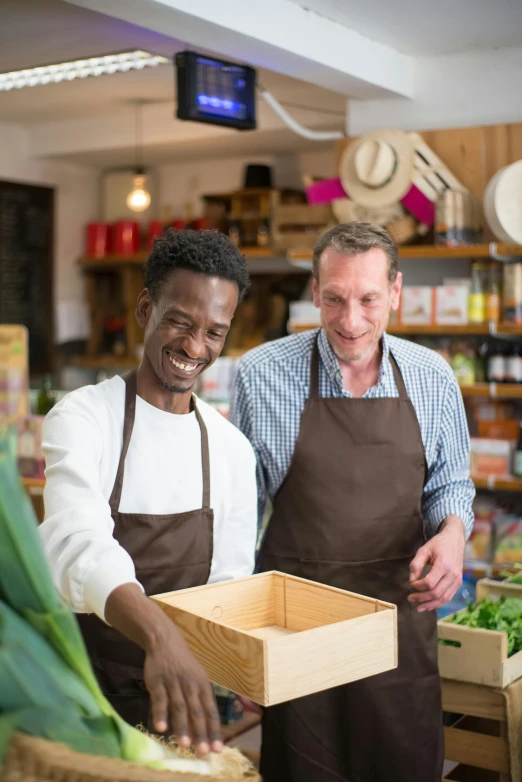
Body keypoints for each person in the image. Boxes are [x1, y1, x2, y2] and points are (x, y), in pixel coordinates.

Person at [230, 222, 475, 782]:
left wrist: (454, 534)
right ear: (314, 292)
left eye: (368, 299)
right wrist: (240, 652)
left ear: (394, 291)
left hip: (397, 632)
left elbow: (450, 485)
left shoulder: (433, 377)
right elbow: (240, 519)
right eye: (334, 299)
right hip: (296, 637)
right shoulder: (262, 375)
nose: (350, 320)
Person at [39, 229, 258, 756]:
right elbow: (77, 542)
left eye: (214, 332)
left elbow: (228, 585)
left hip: (181, 707)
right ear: (145, 308)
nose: (193, 347)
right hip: (84, 697)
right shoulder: (85, 417)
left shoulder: (230, 449)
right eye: (180, 321)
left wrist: (246, 667)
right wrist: (161, 638)